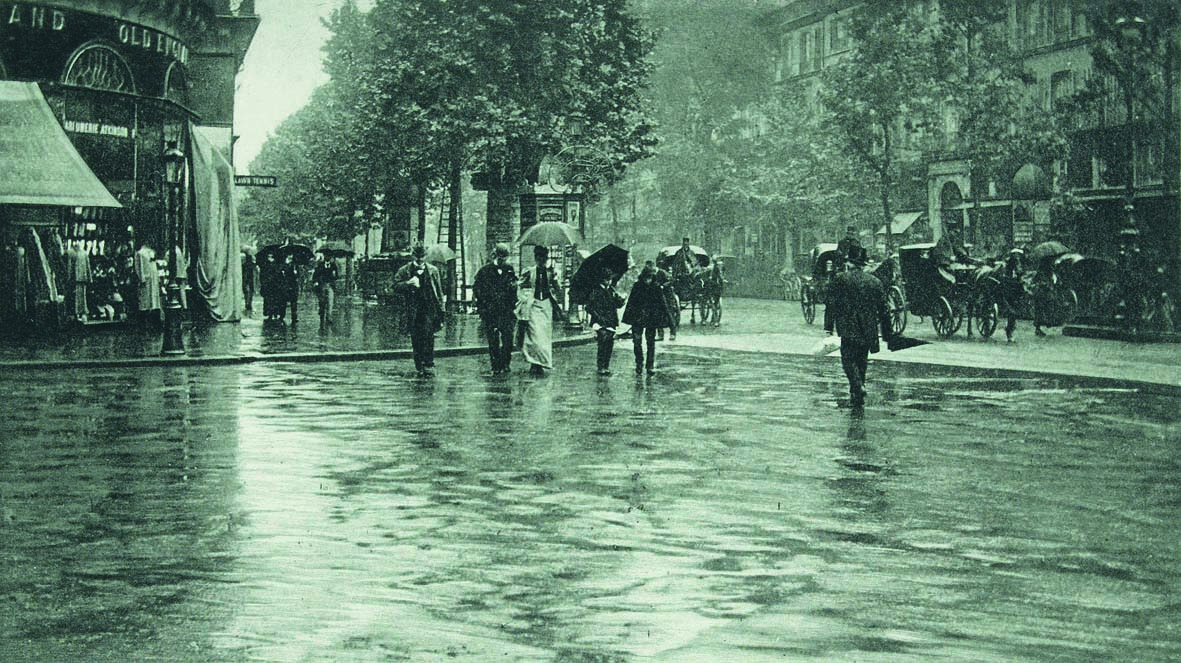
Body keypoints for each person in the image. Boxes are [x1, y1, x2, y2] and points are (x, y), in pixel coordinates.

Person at [824, 247, 893, 408]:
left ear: (849, 263)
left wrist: (828, 326)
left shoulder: (841, 279)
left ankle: (857, 386)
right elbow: (884, 308)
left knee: (847, 359)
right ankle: (857, 396)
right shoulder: (874, 281)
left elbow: (831, 304)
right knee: (862, 360)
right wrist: (887, 331)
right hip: (868, 327)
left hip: (848, 325)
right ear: (863, 264)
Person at [394, 244, 445, 377]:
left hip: (428, 308)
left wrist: (441, 311)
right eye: (417, 256)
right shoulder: (405, 270)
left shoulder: (433, 271)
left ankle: (428, 363)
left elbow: (439, 292)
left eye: (422, 256)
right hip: (412, 309)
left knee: (429, 335)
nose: (420, 259)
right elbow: (395, 286)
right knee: (416, 337)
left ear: (426, 256)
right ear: (413, 256)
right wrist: (407, 284)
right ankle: (419, 363)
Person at [472, 243, 518, 375]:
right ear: (494, 256)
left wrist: (513, 290)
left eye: (504, 258)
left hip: (506, 311)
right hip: (491, 311)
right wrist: (483, 307)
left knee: (508, 338)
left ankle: (505, 363)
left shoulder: (509, 269)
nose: (502, 261)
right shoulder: (484, 271)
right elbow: (477, 290)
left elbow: (513, 288)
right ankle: (496, 365)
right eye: (500, 258)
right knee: (493, 340)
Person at [623, 261, 675, 376]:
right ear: (643, 277)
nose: (648, 280)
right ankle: (639, 362)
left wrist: (672, 324)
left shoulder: (656, 287)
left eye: (650, 278)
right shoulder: (637, 286)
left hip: (651, 318)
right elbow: (631, 304)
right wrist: (629, 320)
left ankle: (650, 365)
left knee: (650, 342)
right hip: (638, 318)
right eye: (647, 278)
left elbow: (664, 305)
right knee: (637, 341)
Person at [517, 245, 562, 375]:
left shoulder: (550, 273)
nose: (542, 261)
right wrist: (523, 298)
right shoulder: (529, 271)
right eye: (540, 258)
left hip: (546, 306)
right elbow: (520, 285)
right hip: (534, 305)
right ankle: (534, 362)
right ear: (536, 258)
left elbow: (558, 292)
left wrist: (554, 279)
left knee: (544, 336)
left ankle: (541, 363)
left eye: (545, 258)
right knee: (534, 335)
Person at [585, 266, 624, 376]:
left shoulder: (611, 290)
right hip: (600, 321)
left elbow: (618, 305)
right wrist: (598, 317)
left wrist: (620, 300)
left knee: (609, 344)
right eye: (607, 279)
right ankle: (601, 366)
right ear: (602, 280)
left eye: (610, 279)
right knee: (602, 343)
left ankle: (606, 366)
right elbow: (589, 307)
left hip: (611, 321)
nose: (609, 281)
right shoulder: (596, 291)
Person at [999, 248, 1026, 342]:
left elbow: (1020, 272)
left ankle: (1010, 329)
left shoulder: (1020, 263)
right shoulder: (1006, 266)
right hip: (1007, 284)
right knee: (1011, 310)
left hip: (1014, 284)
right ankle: (1009, 331)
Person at [134, 241, 161, 327]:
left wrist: (157, 278)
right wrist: (142, 279)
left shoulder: (152, 252)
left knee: (154, 300)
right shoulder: (140, 253)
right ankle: (143, 322)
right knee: (144, 301)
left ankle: (155, 321)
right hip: (146, 280)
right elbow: (139, 267)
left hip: (153, 279)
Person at [311, 252, 338, 329]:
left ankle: (329, 317)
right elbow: (315, 275)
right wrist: (316, 282)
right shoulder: (320, 265)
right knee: (322, 301)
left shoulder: (333, 266)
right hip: (322, 285)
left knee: (330, 301)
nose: (328, 257)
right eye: (326, 256)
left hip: (330, 285)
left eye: (329, 256)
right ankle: (322, 314)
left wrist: (334, 275)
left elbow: (337, 276)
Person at [258, 252, 283, 321]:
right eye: (269, 256)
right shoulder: (265, 265)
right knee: (268, 300)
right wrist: (263, 282)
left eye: (271, 256)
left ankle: (274, 313)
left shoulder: (276, 265)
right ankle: (269, 313)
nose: (270, 258)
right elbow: (262, 275)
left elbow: (279, 275)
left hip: (275, 286)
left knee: (275, 300)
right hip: (268, 286)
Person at [280, 254, 300, 324]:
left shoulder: (295, 265)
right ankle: (282, 316)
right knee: (283, 302)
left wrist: (296, 273)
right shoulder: (282, 264)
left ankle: (294, 317)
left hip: (293, 286)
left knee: (294, 302)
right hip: (285, 286)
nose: (291, 256)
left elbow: (298, 275)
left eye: (291, 255)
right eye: (289, 254)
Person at [242, 249, 257, 315]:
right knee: (250, 291)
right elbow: (255, 273)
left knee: (246, 291)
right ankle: (249, 303)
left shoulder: (244, 265)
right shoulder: (252, 265)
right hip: (250, 278)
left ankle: (247, 303)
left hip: (246, 278)